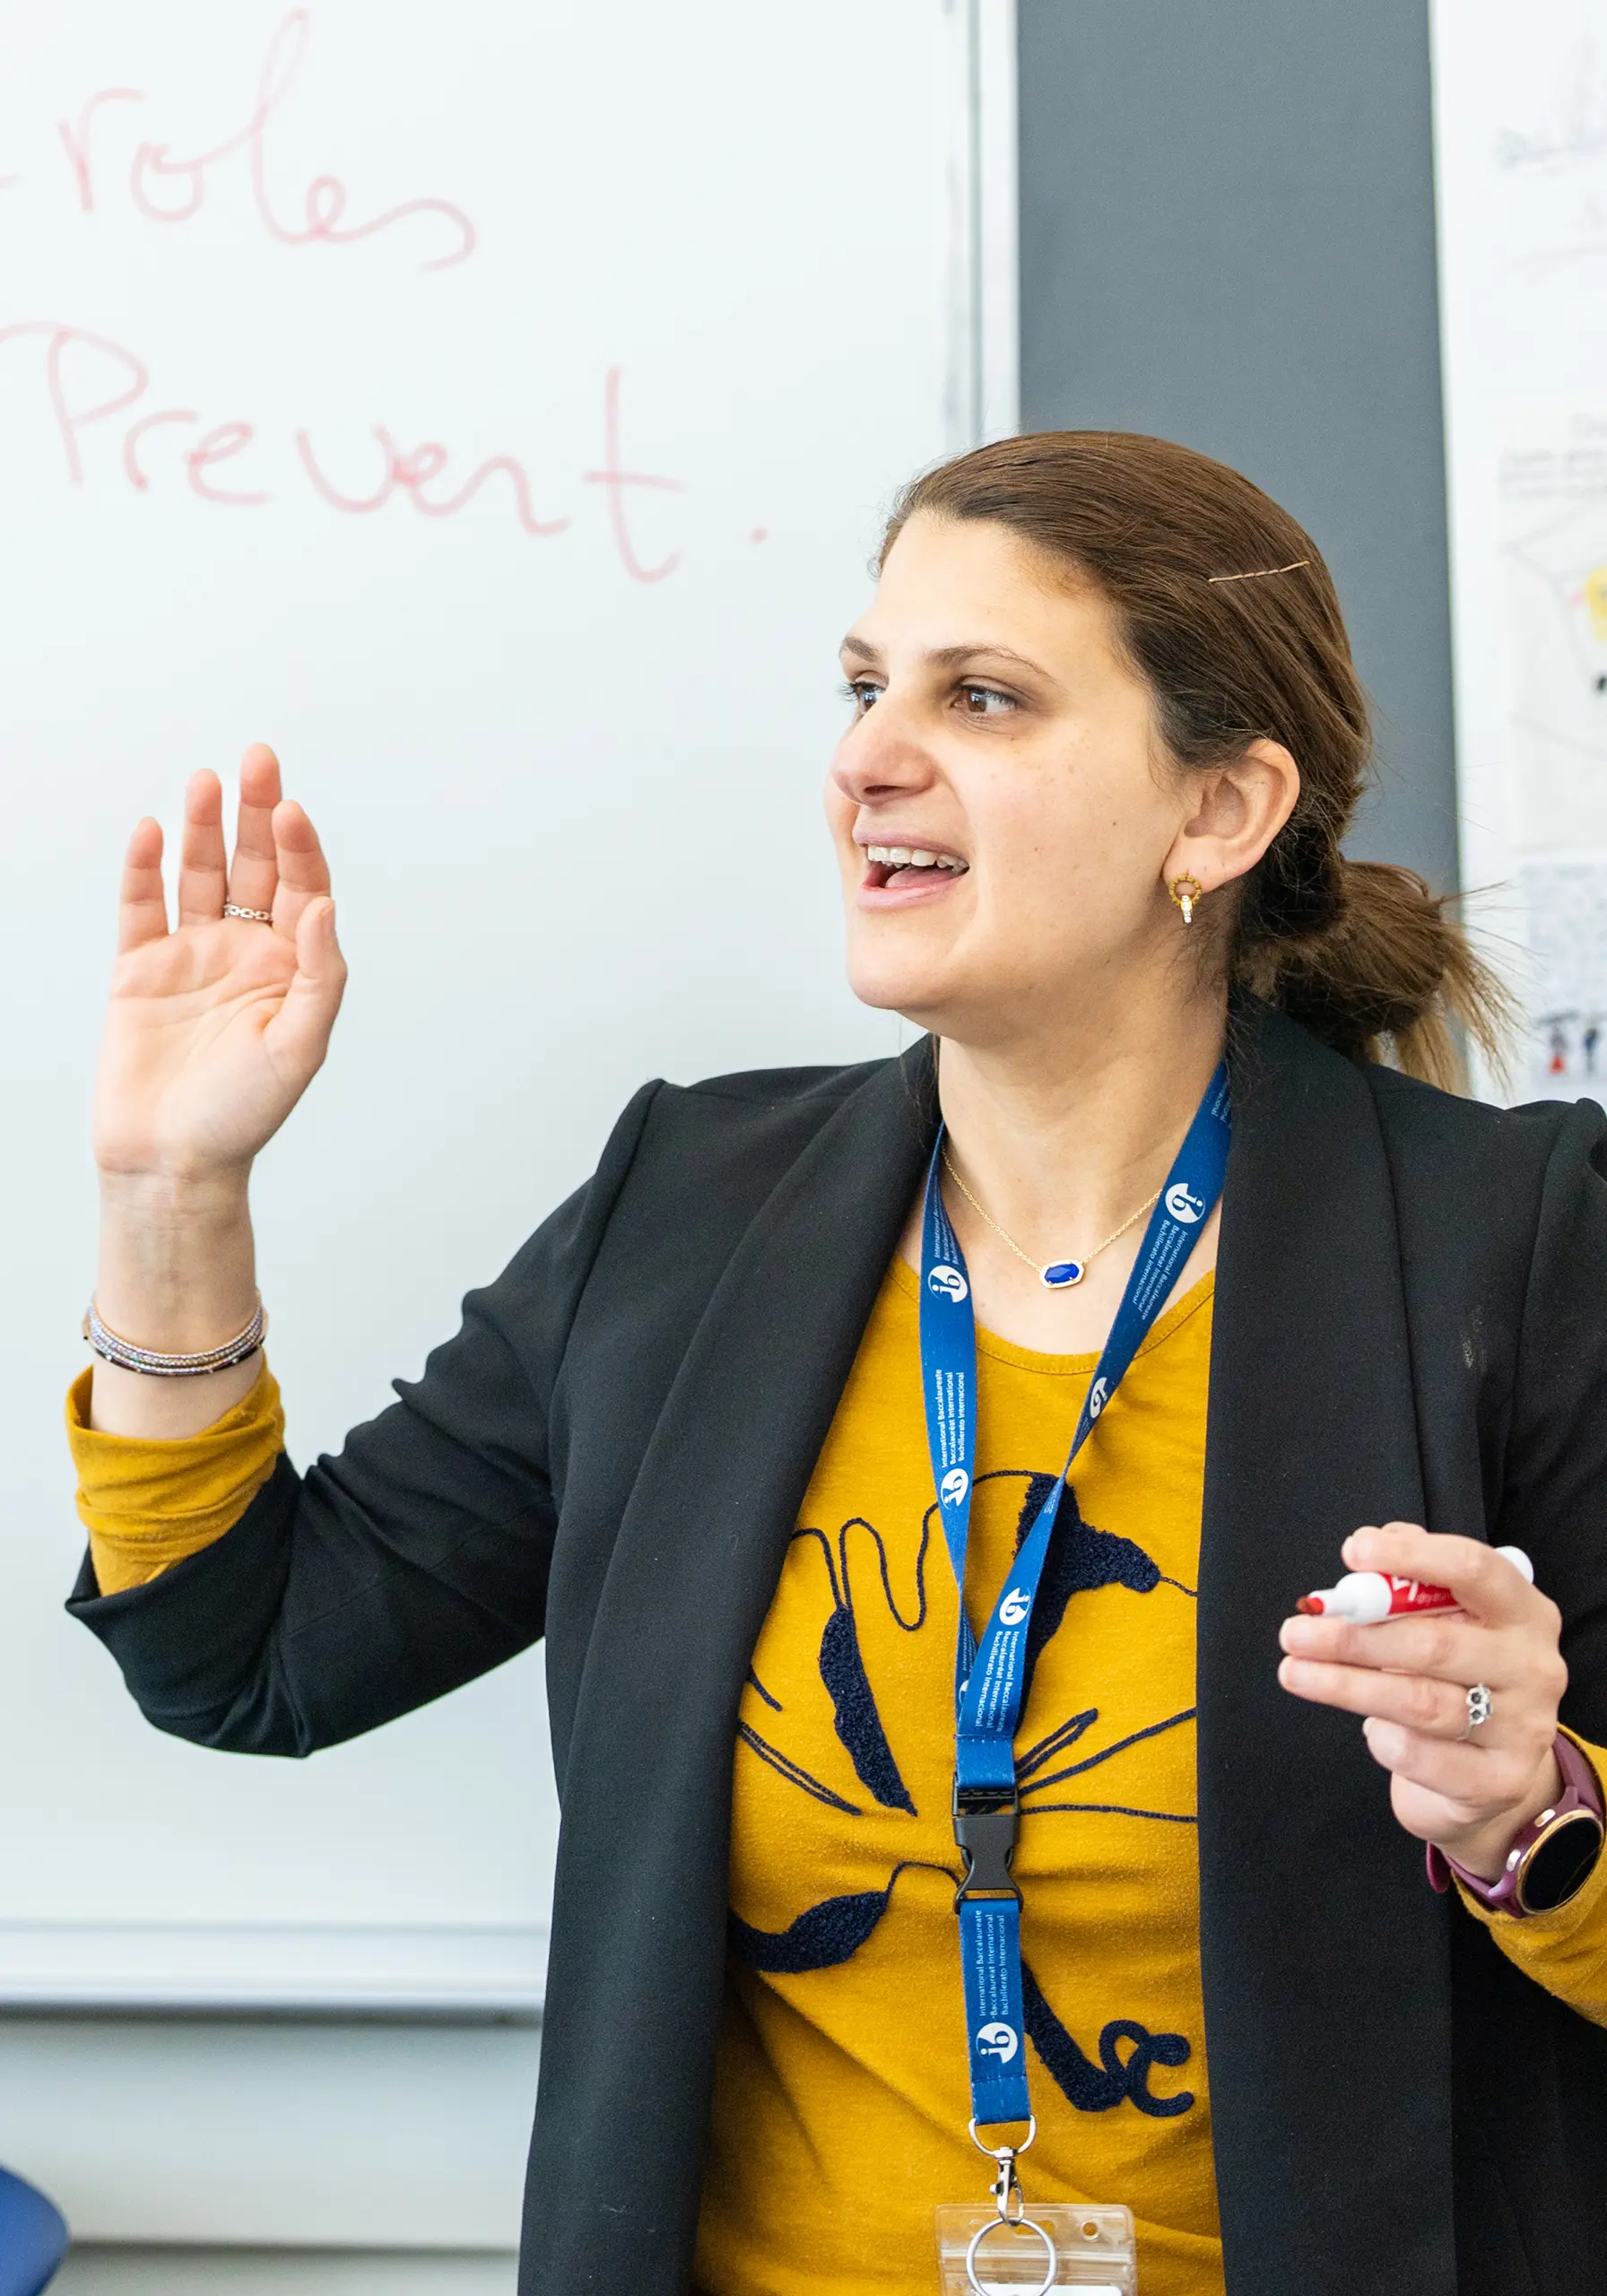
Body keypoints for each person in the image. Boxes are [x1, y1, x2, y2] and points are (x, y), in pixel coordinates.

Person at [65, 433, 1607, 2296]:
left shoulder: (1506, 1245)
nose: (866, 754)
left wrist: (1530, 1804)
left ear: (1216, 809)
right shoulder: (687, 1210)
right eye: (865, 684)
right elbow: (247, 1648)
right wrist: (172, 1187)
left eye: (979, 695)